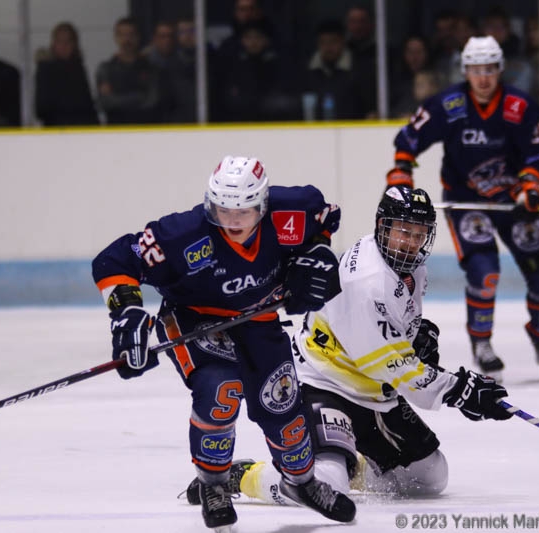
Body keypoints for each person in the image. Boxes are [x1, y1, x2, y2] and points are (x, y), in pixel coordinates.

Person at [181, 185, 512, 506]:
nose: (411, 242)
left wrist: (415, 335)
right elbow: (391, 365)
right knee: (326, 486)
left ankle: (352, 463)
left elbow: (389, 340)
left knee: (429, 477)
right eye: (403, 232)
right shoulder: (367, 282)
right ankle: (240, 477)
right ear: (383, 227)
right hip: (323, 383)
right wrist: (458, 390)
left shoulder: (408, 267)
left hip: (372, 393)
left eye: (418, 234)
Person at [91, 156, 355, 531]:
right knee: (221, 390)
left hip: (258, 320)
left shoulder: (292, 212)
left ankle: (301, 483)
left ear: (262, 205)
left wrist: (317, 254)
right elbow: (114, 260)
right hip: (196, 321)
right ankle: (213, 484)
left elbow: (325, 220)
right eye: (222, 209)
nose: (232, 220)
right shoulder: (182, 235)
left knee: (281, 403)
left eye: (244, 211)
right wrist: (127, 313)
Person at [385, 36, 539, 382]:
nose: (484, 78)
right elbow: (410, 138)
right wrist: (402, 170)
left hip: (512, 202)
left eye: (490, 69)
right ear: (466, 71)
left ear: (500, 69)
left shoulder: (520, 106)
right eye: (476, 70)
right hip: (467, 201)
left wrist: (531, 184)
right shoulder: (450, 104)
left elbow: (538, 153)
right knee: (484, 270)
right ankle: (482, 345)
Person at [96, 17, 160, 124]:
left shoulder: (151, 69)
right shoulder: (106, 69)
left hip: (145, 130)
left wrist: (117, 98)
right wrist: (138, 96)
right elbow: (104, 103)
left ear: (138, 37)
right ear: (115, 38)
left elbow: (152, 102)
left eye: (131, 35)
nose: (127, 40)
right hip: (116, 131)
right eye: (122, 35)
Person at [35, 22, 99, 126]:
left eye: (68, 41)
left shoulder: (78, 68)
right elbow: (41, 108)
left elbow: (87, 105)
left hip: (80, 129)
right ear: (53, 44)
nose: (63, 46)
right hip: (55, 129)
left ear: (74, 44)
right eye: (60, 41)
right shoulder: (45, 69)